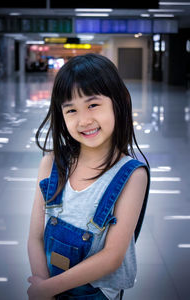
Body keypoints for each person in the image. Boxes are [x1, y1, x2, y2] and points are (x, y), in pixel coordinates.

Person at [27, 53, 150, 300]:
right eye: (71, 110)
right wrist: (42, 284)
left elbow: (112, 257)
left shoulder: (131, 175)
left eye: (93, 105)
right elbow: (35, 237)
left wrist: (48, 288)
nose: (84, 120)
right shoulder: (51, 164)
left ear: (120, 102)